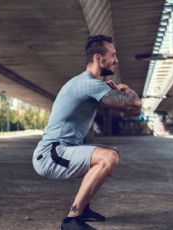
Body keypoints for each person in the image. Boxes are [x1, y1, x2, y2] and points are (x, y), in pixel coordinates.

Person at [32, 35, 142, 230]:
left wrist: (126, 97)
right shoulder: (88, 84)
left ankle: (83, 209)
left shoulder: (94, 84)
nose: (116, 60)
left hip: (63, 150)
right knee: (108, 158)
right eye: (113, 55)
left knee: (112, 153)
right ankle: (71, 220)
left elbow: (134, 111)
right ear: (99, 58)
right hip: (50, 154)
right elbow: (134, 104)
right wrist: (127, 90)